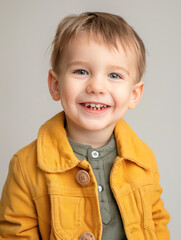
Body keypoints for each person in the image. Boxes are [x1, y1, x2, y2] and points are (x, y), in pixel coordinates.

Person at [0, 11, 171, 240]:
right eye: (81, 71)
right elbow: (15, 234)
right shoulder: (26, 166)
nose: (97, 86)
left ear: (134, 93)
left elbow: (156, 224)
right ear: (55, 84)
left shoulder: (143, 160)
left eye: (114, 75)